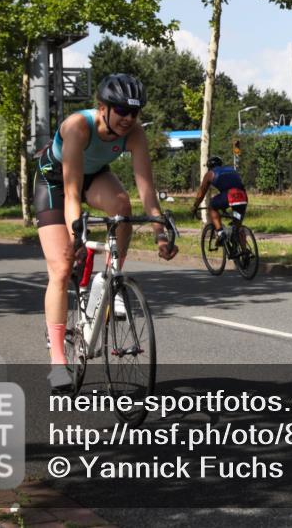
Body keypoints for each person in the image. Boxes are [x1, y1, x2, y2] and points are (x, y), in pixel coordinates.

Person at [34, 73, 178, 390]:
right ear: (102, 108)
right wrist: (75, 237)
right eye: (121, 110)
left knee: (122, 207)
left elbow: (147, 193)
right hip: (55, 183)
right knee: (60, 267)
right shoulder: (78, 126)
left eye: (135, 112)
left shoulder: (136, 133)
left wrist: (160, 233)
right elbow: (71, 194)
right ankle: (58, 361)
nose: (128, 118)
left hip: (95, 176)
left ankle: (112, 277)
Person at [189, 156, 248, 251]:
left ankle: (221, 233)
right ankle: (245, 253)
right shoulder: (231, 169)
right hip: (242, 197)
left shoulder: (210, 174)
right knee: (237, 225)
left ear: (209, 166)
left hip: (229, 196)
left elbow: (201, 193)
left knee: (212, 206)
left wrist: (195, 206)